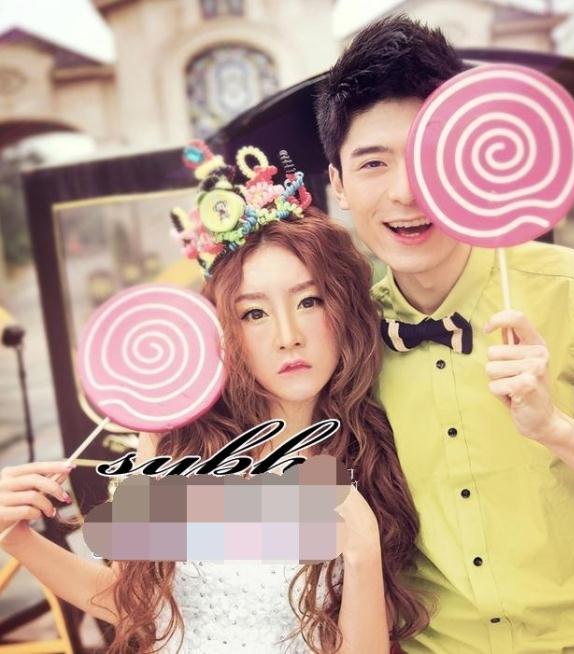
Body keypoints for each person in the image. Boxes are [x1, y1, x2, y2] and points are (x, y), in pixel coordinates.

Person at [0, 145, 428, 653]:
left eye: (309, 301)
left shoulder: (369, 454)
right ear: (225, 329)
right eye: (254, 313)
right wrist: (15, 536)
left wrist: (361, 552)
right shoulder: (178, 448)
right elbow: (132, 603)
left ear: (342, 309)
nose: (288, 336)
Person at [315, 14, 574, 654]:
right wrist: (141, 503)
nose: (407, 192)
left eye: (428, 157)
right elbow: (281, 515)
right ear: (339, 185)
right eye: (373, 162)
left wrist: (556, 429)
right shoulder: (339, 334)